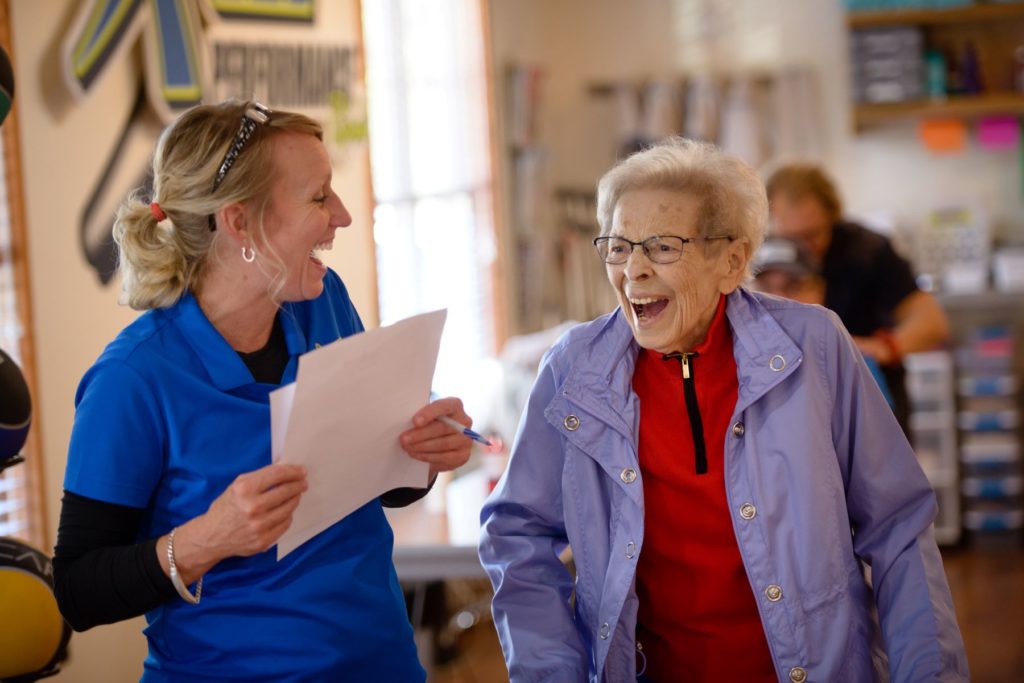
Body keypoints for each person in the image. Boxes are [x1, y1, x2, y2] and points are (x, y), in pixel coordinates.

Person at [478, 138, 968, 682]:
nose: (633, 270)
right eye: (618, 246)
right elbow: (518, 534)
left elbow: (897, 527)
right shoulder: (573, 371)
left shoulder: (817, 348)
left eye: (661, 246)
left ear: (731, 262)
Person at [53, 100, 474, 682]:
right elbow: (77, 590)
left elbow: (372, 485)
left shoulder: (325, 305)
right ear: (240, 223)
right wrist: (208, 539)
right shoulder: (133, 379)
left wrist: (423, 455)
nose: (344, 216)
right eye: (320, 197)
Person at [765, 162, 949, 434]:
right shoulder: (763, 260)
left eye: (811, 236)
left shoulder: (868, 253)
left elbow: (932, 323)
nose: (801, 250)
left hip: (870, 400)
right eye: (790, 239)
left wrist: (882, 348)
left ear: (832, 219)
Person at [752, 237, 895, 410]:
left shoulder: (850, 361)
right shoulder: (733, 360)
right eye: (764, 287)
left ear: (820, 290)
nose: (778, 299)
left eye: (793, 286)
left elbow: (876, 432)